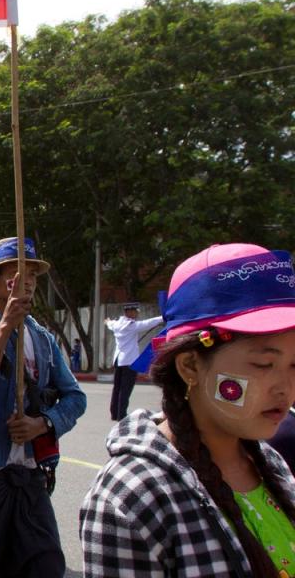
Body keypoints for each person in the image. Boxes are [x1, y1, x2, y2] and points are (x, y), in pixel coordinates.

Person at [80, 243, 295, 577]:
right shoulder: (131, 497)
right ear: (191, 366)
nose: (286, 388)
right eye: (264, 363)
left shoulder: (272, 463)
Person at [0, 237, 86, 578]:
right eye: (16, 271)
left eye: (32, 274)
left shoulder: (42, 338)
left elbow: (75, 397)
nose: (26, 280)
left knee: (45, 563)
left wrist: (42, 424)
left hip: (29, 471)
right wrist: (5, 325)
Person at [105, 303, 163, 420]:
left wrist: (107, 321)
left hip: (118, 360)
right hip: (129, 361)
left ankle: (114, 413)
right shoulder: (131, 326)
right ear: (129, 312)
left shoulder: (117, 324)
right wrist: (163, 317)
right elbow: (148, 323)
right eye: (135, 311)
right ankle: (121, 414)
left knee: (117, 388)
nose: (137, 314)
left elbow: (109, 323)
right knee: (125, 389)